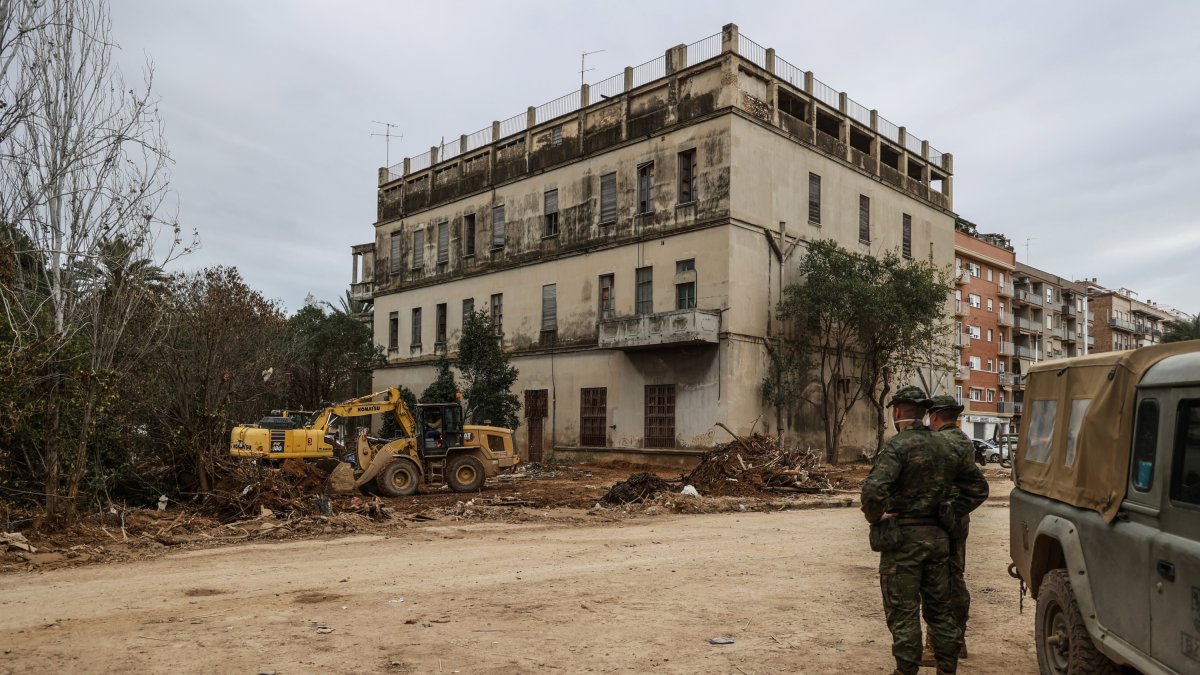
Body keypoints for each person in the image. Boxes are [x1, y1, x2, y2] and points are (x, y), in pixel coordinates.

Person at [861, 386, 989, 675]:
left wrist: (876, 517)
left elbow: (873, 489)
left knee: (904, 611)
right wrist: (950, 512)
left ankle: (906, 670)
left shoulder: (899, 445)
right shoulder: (947, 445)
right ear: (924, 413)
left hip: (903, 541)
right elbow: (978, 488)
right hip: (939, 540)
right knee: (940, 610)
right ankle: (947, 668)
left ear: (897, 412)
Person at [923, 395, 976, 663]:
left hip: (939, 520)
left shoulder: (938, 442)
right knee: (955, 575)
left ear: (934, 416)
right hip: (959, 518)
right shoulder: (965, 441)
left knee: (937, 583)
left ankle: (936, 645)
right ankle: (958, 640)